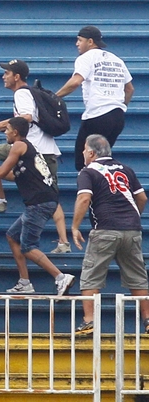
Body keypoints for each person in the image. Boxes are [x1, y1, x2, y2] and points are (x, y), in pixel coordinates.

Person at [0, 59, 71, 253]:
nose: (3, 76)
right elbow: (20, 126)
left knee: (48, 195)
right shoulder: (28, 93)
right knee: (47, 193)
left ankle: (0, 201)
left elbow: (26, 117)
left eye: (6, 73)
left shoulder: (22, 93)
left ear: (16, 77)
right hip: (39, 149)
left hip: (36, 150)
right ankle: (62, 241)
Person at [0, 117, 76, 295]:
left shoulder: (19, 146)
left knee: (28, 246)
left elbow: (2, 171)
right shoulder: (27, 150)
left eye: (7, 129)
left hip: (39, 203)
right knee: (12, 236)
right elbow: (12, 176)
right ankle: (25, 281)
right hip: (43, 201)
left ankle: (60, 277)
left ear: (15, 132)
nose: (5, 133)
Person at [71, 135, 149, 335]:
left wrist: (75, 226)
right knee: (138, 277)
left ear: (91, 152)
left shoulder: (88, 172)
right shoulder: (126, 169)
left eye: (84, 150)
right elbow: (141, 197)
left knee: (91, 276)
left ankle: (89, 322)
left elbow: (84, 198)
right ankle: (148, 320)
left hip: (104, 228)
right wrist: (131, 218)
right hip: (132, 229)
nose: (83, 153)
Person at [54, 26, 133, 171]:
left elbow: (75, 82)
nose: (76, 44)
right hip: (118, 117)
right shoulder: (116, 60)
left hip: (98, 116)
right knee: (102, 161)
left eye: (79, 40)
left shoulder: (85, 58)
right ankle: (106, 190)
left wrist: (54, 96)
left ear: (90, 42)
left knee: (83, 162)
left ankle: (89, 192)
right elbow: (129, 89)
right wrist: (121, 107)